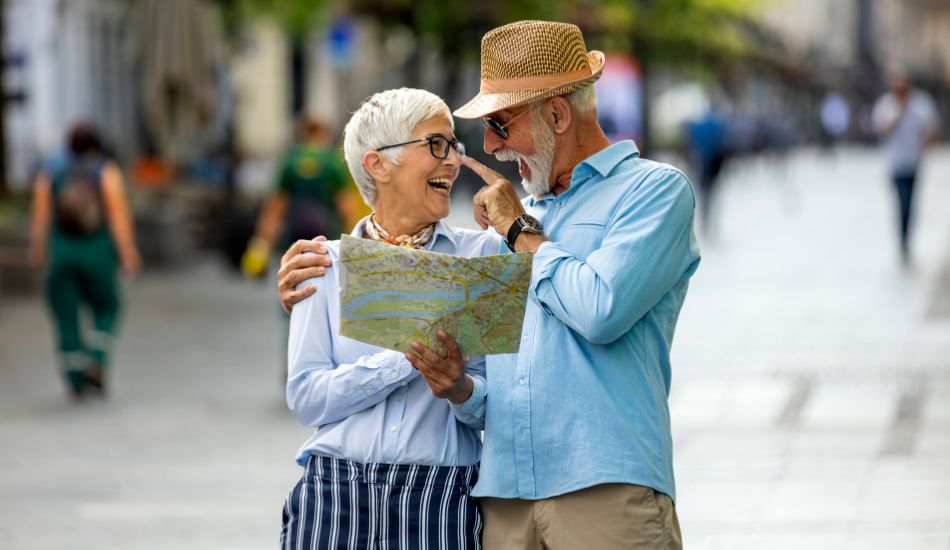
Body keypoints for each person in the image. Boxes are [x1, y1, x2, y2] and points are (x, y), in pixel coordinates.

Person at [277, 21, 701, 549]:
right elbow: (492, 389)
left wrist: (519, 230)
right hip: (503, 498)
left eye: (499, 124)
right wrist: (457, 387)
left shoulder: (650, 192)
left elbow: (601, 310)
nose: (488, 147)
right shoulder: (496, 235)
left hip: (602, 486)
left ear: (557, 115)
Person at [279, 88, 495, 549]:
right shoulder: (325, 264)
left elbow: (500, 404)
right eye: (436, 145)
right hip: (333, 498)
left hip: (442, 501)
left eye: (454, 146)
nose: (453, 161)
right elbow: (306, 398)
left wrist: (460, 387)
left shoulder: (484, 257)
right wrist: (405, 358)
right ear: (378, 165)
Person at [28, 122, 141, 400]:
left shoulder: (52, 172)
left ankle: (75, 378)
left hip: (63, 253)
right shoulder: (105, 171)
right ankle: (97, 357)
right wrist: (128, 252)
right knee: (108, 306)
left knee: (65, 314)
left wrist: (38, 249)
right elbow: (117, 215)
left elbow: (41, 216)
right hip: (97, 252)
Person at [241, 116, 351, 279]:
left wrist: (261, 244)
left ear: (302, 134)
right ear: (323, 135)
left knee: (294, 285)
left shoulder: (290, 163)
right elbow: (346, 209)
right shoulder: (332, 163)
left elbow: (274, 210)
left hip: (294, 239)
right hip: (327, 239)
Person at [872, 74, 940, 266]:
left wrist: (926, 144)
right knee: (901, 202)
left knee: (911, 203)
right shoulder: (886, 105)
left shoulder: (921, 104)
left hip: (914, 162)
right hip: (895, 163)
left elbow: (932, 130)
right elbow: (881, 130)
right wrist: (899, 114)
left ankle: (907, 237)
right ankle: (902, 239)